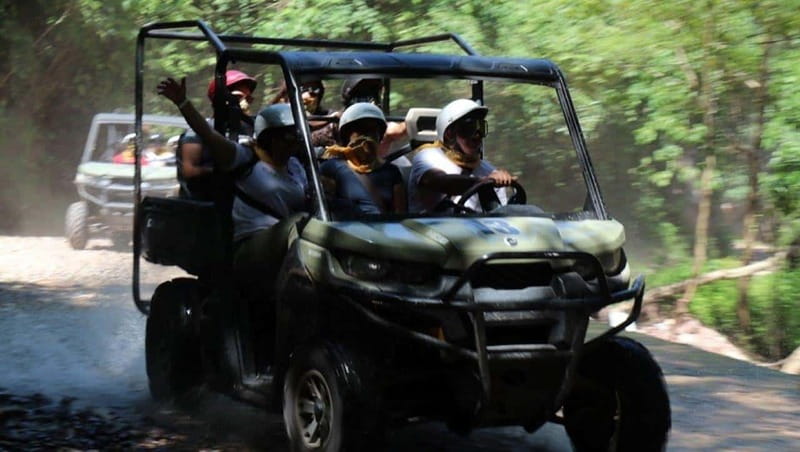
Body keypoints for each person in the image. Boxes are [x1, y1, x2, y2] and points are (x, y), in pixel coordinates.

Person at [157, 76, 308, 292]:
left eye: (296, 135)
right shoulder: (245, 157)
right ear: (271, 138)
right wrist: (182, 102)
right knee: (299, 224)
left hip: (290, 243)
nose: (294, 141)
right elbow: (206, 133)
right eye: (288, 136)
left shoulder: (296, 166)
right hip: (251, 242)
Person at [408, 98, 516, 213]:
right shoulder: (428, 156)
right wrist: (482, 182)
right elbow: (440, 181)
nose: (477, 136)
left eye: (481, 128)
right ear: (450, 134)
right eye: (469, 128)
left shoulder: (488, 171)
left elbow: (498, 216)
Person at [177, 69, 258, 200]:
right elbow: (190, 170)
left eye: (248, 98)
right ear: (219, 99)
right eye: (238, 97)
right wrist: (230, 170)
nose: (245, 103)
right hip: (203, 204)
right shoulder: (196, 132)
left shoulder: (249, 128)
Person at [319, 102, 406, 216]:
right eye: (361, 130)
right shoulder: (331, 168)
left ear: (379, 136)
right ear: (347, 136)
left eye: (373, 130)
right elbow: (326, 213)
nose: (367, 136)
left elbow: (401, 216)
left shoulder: (391, 172)